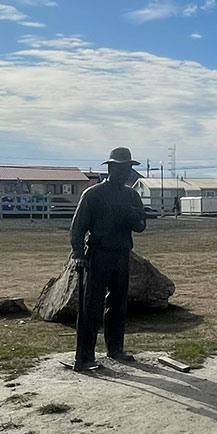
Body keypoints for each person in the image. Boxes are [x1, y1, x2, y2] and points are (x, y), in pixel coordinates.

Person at [66, 147, 149, 372]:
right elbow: (77, 229)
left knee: (119, 304)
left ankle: (115, 349)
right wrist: (78, 255)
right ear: (111, 168)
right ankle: (84, 356)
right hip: (98, 255)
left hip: (122, 254)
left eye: (128, 169)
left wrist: (135, 218)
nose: (125, 173)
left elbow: (140, 227)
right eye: (121, 168)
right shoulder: (93, 194)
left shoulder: (132, 195)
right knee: (91, 307)